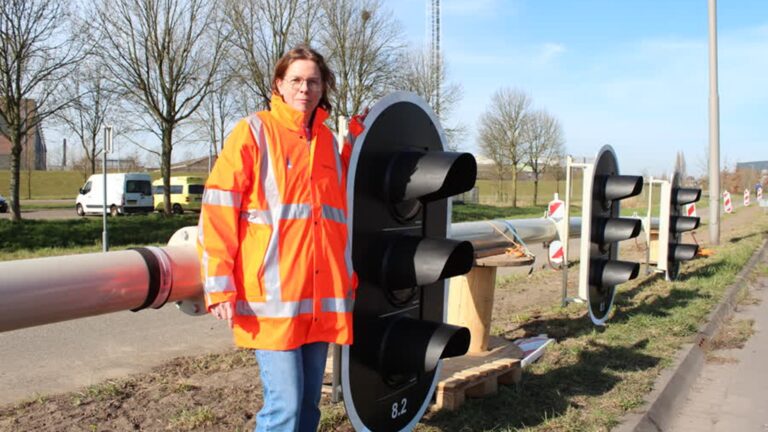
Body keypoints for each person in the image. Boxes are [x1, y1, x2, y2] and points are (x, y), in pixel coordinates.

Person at [197, 46, 362, 432]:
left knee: (308, 408)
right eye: (297, 80)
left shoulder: (327, 144)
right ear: (279, 85)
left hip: (318, 299)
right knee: (284, 408)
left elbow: (338, 209)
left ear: (323, 88)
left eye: (313, 81)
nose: (305, 88)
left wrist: (357, 138)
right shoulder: (254, 131)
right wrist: (218, 284)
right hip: (271, 299)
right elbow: (219, 208)